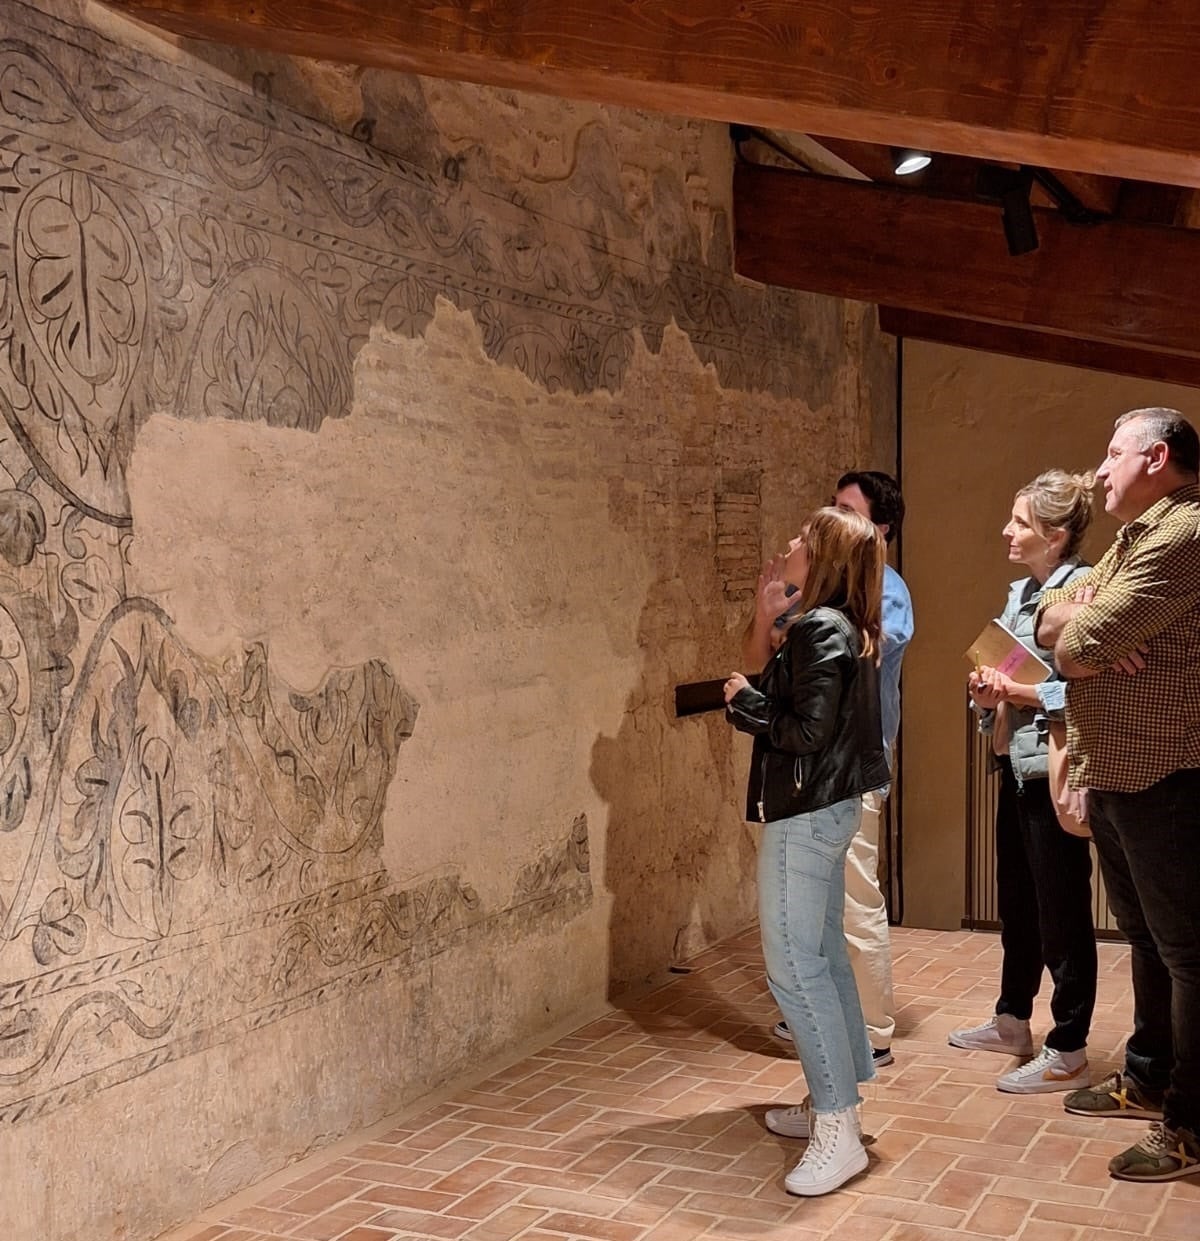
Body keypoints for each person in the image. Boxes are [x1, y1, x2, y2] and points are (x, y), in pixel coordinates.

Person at [1035, 407, 1200, 1183]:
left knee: (1188, 952)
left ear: (1156, 457)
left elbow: (1078, 644)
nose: (1099, 470)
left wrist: (1086, 633)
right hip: (1121, 771)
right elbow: (1050, 620)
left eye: (1112, 454)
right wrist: (1081, 620)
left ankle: (1190, 1123)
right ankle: (1149, 1074)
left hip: (1169, 773)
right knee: (1147, 939)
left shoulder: (1184, 532)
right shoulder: (1137, 534)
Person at [725, 507, 890, 1196]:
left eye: (802, 538)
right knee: (821, 956)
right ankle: (835, 1098)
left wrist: (744, 701)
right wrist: (767, 624)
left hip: (806, 812)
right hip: (825, 808)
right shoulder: (840, 624)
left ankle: (837, 1129)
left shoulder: (822, 626)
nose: (790, 544)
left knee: (794, 968)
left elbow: (806, 730)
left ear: (821, 558)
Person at [744, 471, 913, 1067]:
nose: (828, 522)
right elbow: (769, 664)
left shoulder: (873, 598)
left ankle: (870, 1031)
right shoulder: (816, 606)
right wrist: (769, 620)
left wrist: (752, 700)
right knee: (821, 923)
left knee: (848, 906)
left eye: (847, 512)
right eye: (832, 509)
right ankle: (844, 1037)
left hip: (844, 772)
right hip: (811, 775)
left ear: (876, 531)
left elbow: (842, 675)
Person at [950, 470, 1098, 1093]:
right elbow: (1001, 674)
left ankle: (1069, 1048)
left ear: (1055, 536)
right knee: (1016, 899)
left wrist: (1020, 691)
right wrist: (988, 694)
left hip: (1052, 768)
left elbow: (1092, 687)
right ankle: (1013, 1020)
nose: (1006, 531)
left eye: (1020, 523)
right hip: (1014, 763)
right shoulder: (1021, 594)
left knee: (1062, 910)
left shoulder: (1086, 592)